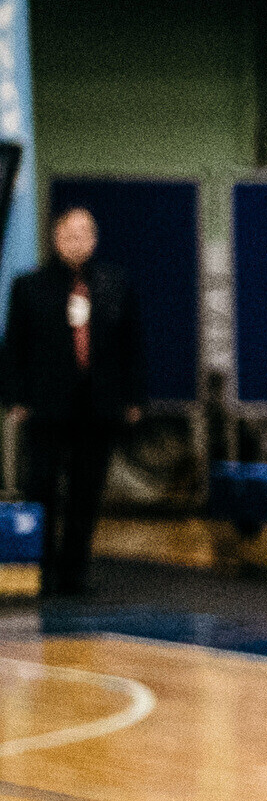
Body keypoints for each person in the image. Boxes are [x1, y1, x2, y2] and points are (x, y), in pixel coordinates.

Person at [3, 207, 143, 599]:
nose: (78, 241)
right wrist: (15, 398)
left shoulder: (115, 284)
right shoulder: (29, 286)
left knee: (86, 491)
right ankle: (41, 569)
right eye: (70, 234)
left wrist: (133, 397)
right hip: (46, 406)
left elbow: (132, 345)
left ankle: (74, 573)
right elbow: (14, 347)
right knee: (42, 486)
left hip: (97, 406)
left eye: (85, 234)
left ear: (94, 239)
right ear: (56, 238)